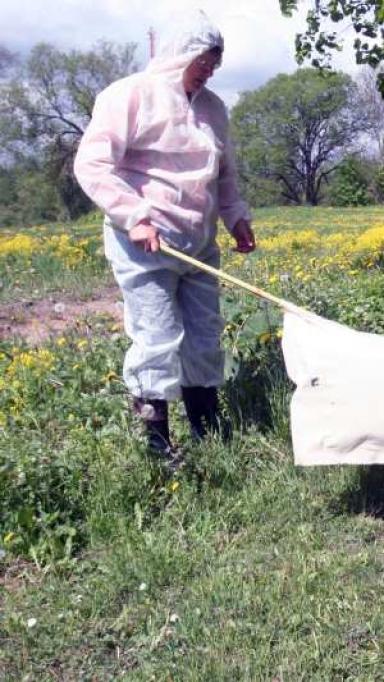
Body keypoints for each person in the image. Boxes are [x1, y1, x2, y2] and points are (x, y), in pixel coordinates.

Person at [74, 11, 255, 460]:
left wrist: (236, 217)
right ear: (179, 53)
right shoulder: (130, 95)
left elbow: (224, 174)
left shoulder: (214, 109)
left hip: (199, 245)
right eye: (202, 61)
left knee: (204, 335)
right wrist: (134, 215)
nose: (208, 70)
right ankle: (157, 443)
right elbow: (92, 165)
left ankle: (207, 430)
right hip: (145, 245)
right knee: (156, 336)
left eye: (215, 63)